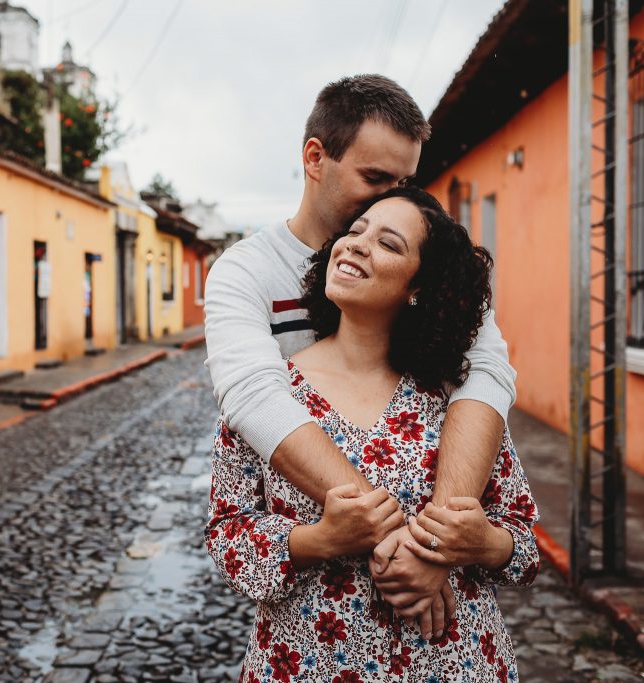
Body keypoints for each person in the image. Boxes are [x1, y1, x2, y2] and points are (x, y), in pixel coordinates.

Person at [203, 75, 517, 638]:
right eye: (375, 179)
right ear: (316, 157)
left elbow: (487, 372)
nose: (389, 197)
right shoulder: (245, 271)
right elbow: (252, 394)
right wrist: (384, 535)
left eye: (403, 182)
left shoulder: (435, 293)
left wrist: (438, 545)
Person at [206, 186, 539, 682]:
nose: (356, 244)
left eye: (389, 243)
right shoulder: (270, 396)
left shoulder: (456, 399)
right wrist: (317, 539)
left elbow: (523, 542)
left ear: (418, 287)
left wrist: (483, 544)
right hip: (306, 665)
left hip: (456, 664)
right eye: (355, 231)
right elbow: (227, 531)